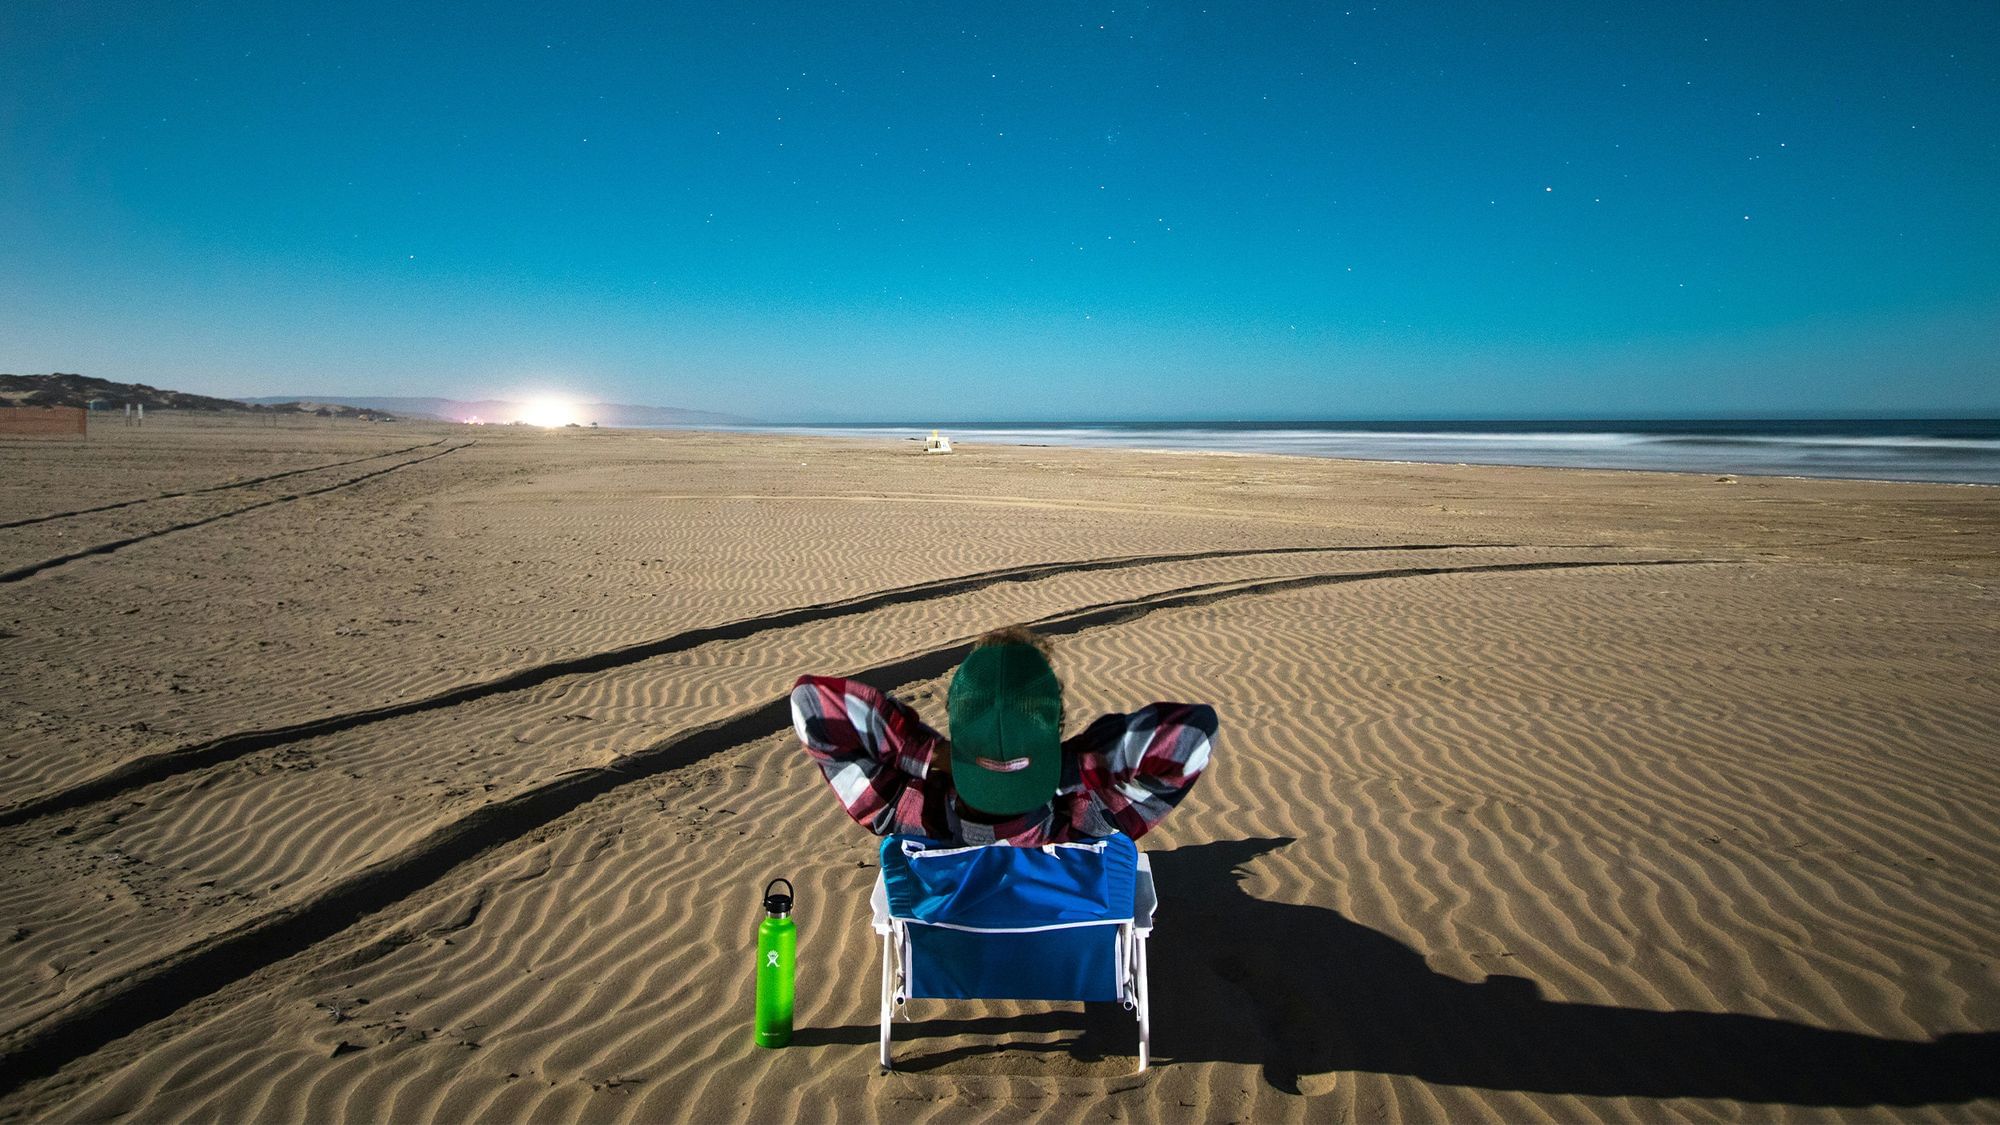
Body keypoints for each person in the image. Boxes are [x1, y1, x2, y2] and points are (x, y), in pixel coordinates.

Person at [790, 625, 1216, 846]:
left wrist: (931, 754)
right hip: (1061, 963)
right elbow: (1193, 734)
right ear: (1056, 724)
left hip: (948, 964)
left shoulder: (909, 814)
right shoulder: (1085, 822)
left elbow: (812, 703)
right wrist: (1063, 766)